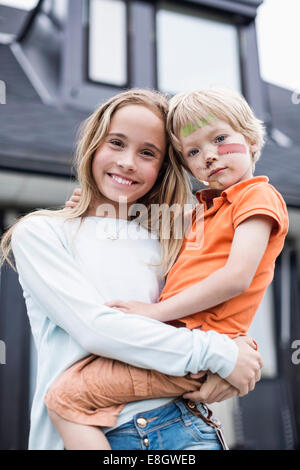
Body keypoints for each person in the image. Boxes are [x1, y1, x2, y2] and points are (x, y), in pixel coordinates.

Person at [1, 89, 262, 451]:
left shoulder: (169, 239)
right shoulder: (42, 232)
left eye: (147, 153)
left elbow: (220, 296)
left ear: (163, 169)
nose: (127, 162)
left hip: (183, 426)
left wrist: (239, 349)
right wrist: (221, 354)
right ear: (93, 144)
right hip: (100, 431)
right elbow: (97, 329)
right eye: (117, 143)